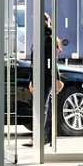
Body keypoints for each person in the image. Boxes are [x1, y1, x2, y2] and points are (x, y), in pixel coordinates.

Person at [27, 12, 63, 148]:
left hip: (45, 76)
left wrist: (57, 78)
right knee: (43, 107)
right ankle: (46, 136)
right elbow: (33, 62)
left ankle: (38, 137)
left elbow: (52, 62)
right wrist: (31, 81)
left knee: (42, 107)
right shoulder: (40, 38)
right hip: (38, 76)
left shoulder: (48, 39)